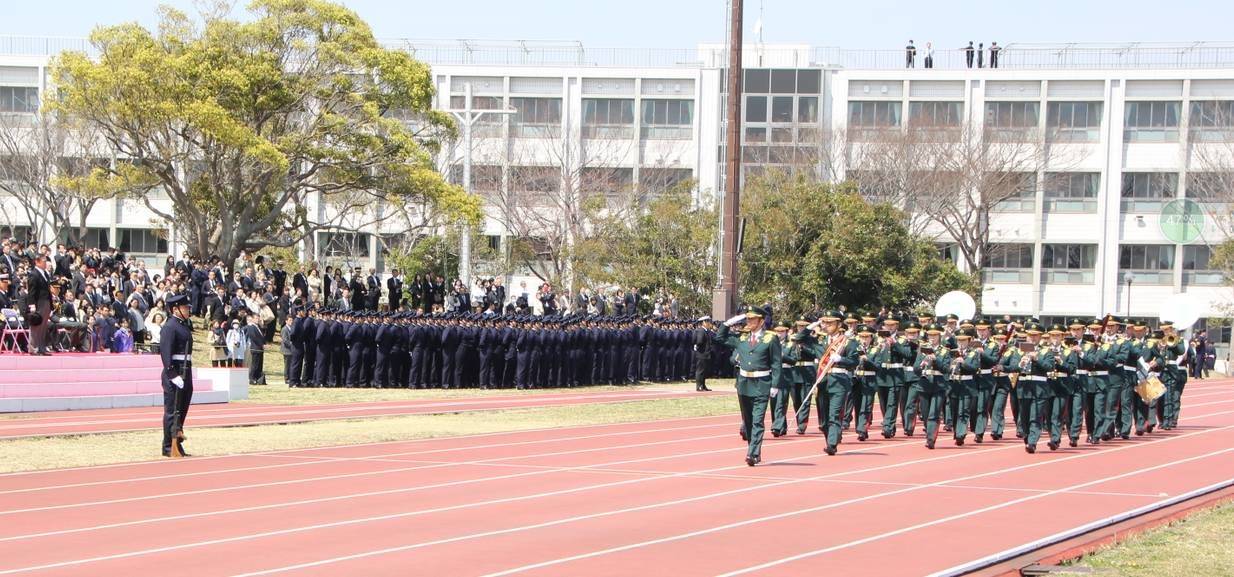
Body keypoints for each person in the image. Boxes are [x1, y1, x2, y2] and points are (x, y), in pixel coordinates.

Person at [715, 305, 782, 466]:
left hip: (761, 384)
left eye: (752, 319)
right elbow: (720, 338)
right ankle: (753, 447)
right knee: (749, 420)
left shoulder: (770, 338)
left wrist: (775, 385)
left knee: (758, 420)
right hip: (744, 384)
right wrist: (729, 322)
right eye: (748, 318)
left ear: (761, 321)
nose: (749, 321)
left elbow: (776, 363)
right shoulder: (742, 338)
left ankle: (753, 453)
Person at [159, 294, 194, 457]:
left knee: (182, 408)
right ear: (175, 309)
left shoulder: (183, 325)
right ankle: (168, 446)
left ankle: (177, 443)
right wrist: (172, 374)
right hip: (175, 371)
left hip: (186, 369)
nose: (188, 310)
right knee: (172, 410)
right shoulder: (170, 326)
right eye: (185, 307)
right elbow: (166, 353)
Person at [26, 255, 53, 355]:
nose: (45, 263)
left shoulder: (45, 273)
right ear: (37, 262)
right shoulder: (34, 274)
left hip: (46, 301)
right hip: (38, 302)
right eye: (43, 261)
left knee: (43, 327)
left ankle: (41, 347)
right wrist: (32, 304)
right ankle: (33, 348)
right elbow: (31, 291)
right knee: (36, 326)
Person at [245, 316, 267, 385]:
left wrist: (264, 344)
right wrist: (261, 344)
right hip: (255, 348)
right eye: (256, 318)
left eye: (258, 318)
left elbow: (261, 336)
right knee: (255, 364)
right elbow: (254, 337)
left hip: (260, 349)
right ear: (253, 319)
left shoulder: (259, 327)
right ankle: (252, 378)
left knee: (259, 365)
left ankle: (258, 378)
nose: (258, 320)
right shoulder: (251, 327)